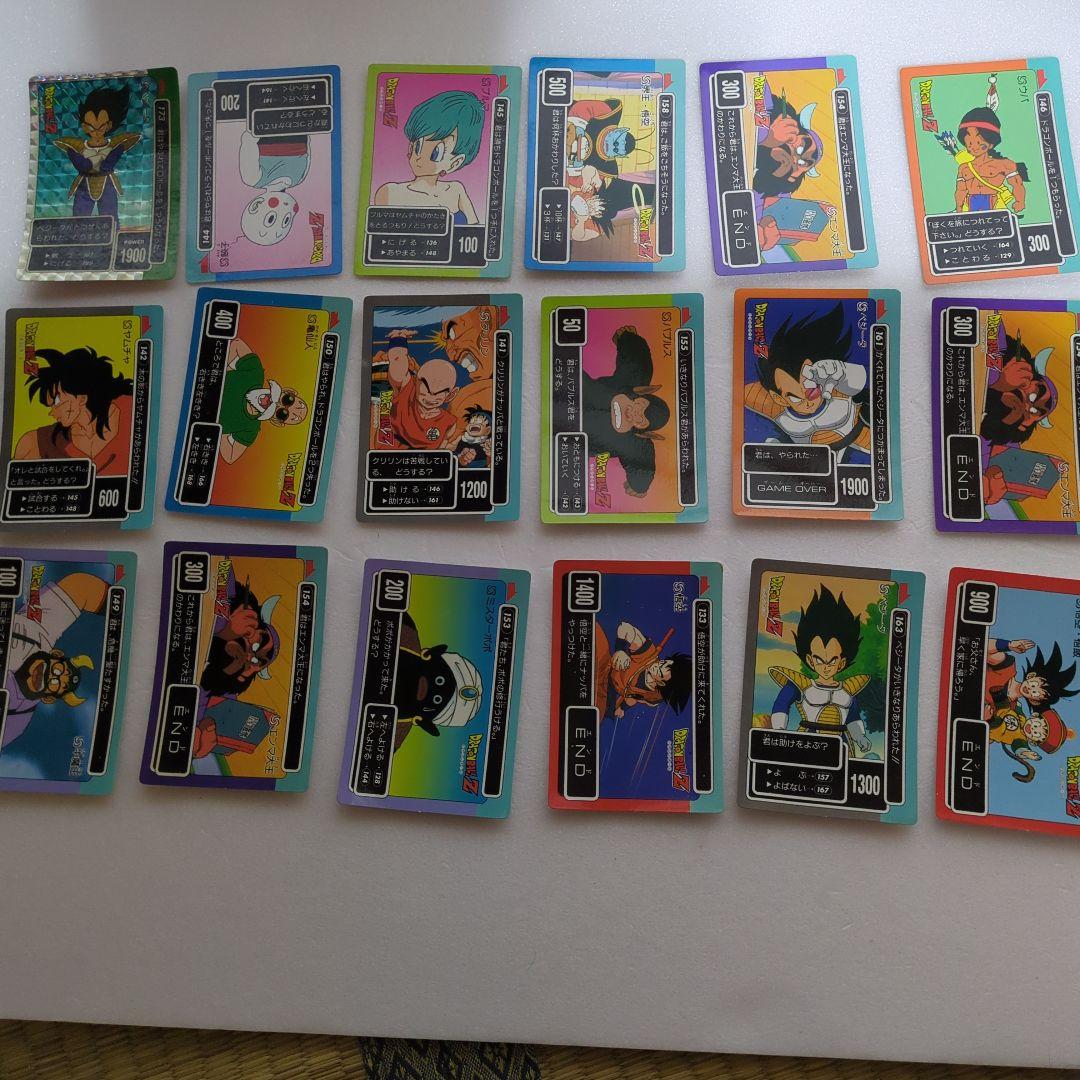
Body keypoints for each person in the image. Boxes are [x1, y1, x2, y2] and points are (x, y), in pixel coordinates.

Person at [744, 302, 871, 463]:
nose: (808, 401)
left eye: (812, 391)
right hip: (804, 459)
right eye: (796, 397)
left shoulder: (835, 388)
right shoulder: (775, 405)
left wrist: (844, 371)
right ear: (779, 398)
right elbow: (743, 392)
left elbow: (866, 381)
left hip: (854, 439)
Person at [3, 572, 107, 750]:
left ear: (49, 698)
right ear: (56, 654)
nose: (52, 676)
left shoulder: (19, 715)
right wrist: (124, 614)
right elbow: (83, 587)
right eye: (59, 670)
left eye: (55, 683)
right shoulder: (39, 632)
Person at [768, 584, 873, 757]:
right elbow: (781, 704)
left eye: (832, 661)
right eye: (819, 660)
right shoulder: (799, 685)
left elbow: (853, 718)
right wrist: (779, 731)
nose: (826, 666)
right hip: (809, 743)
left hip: (841, 746)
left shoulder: (848, 690)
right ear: (810, 660)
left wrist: (860, 737)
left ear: (841, 662)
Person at [581, 324, 670, 498]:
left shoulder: (633, 443)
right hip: (573, 391)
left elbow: (643, 464)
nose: (636, 414)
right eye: (641, 406)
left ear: (642, 431)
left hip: (568, 439)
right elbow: (638, 363)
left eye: (641, 420)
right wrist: (628, 338)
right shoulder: (631, 384)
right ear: (640, 394)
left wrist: (640, 487)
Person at [16, 346, 133, 475]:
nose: (52, 413)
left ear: (82, 398)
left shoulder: (132, 408)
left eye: (57, 402)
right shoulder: (43, 441)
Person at [373, 91, 484, 224]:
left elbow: (475, 229)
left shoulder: (456, 190)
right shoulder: (389, 192)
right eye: (417, 146)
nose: (419, 158)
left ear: (455, 162)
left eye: (435, 153)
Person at [216, 336, 308, 464]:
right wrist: (225, 371)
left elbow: (230, 457)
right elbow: (237, 344)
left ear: (277, 421)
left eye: (283, 413)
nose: (278, 404)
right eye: (288, 400)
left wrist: (221, 430)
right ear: (286, 391)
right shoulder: (255, 373)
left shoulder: (251, 429)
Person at [54, 86, 140, 219]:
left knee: (110, 214)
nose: (96, 131)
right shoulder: (79, 146)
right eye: (91, 127)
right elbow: (70, 150)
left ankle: (113, 230)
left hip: (107, 182)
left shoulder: (114, 145)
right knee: (80, 215)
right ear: (84, 127)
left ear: (109, 125)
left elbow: (121, 147)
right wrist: (79, 162)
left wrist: (112, 158)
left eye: (101, 127)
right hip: (85, 182)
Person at [593, 619, 691, 721]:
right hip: (603, 666)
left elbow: (634, 698)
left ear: (661, 683)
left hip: (607, 692)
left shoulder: (654, 696)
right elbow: (625, 627)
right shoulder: (648, 654)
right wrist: (620, 650)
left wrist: (622, 707)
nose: (656, 665)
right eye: (662, 662)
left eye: (659, 672)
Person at [382, 328, 461, 449]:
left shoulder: (448, 423)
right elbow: (398, 365)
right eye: (426, 390)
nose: (430, 397)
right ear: (416, 382)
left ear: (451, 395)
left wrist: (452, 448)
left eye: (438, 393)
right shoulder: (407, 391)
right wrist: (399, 339)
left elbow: (442, 450)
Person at [942, 107, 1028, 214]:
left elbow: (1017, 184)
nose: (974, 147)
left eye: (979, 143)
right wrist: (959, 208)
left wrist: (1020, 201)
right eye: (970, 144)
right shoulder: (964, 168)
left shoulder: (1004, 164)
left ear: (991, 143)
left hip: (995, 205)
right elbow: (961, 190)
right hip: (970, 205)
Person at [238, 129, 309, 246]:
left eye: (271, 219)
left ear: (255, 205)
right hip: (297, 128)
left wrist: (257, 127)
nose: (283, 213)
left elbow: (248, 140)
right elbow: (308, 148)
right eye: (286, 220)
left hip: (268, 131)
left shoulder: (253, 178)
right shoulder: (299, 179)